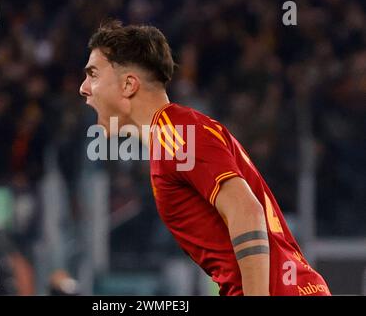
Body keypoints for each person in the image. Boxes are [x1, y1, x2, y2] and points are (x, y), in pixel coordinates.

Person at [79, 20, 331, 296]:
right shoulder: (173, 134)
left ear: (128, 84)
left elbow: (247, 212)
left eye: (93, 75)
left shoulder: (176, 133)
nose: (84, 88)